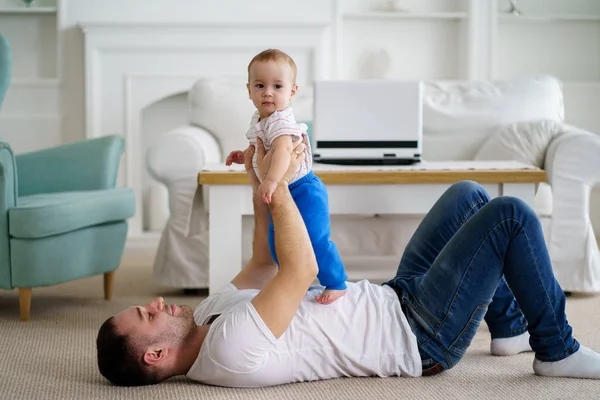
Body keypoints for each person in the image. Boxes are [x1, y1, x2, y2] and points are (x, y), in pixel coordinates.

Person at [96, 140, 600, 388]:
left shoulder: (207, 319)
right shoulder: (227, 352)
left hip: (394, 297)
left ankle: (509, 326)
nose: (156, 304)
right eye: (147, 315)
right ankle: (556, 349)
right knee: (508, 215)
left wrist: (259, 178)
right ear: (154, 356)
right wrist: (286, 177)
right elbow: (299, 269)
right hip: (421, 336)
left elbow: (261, 260)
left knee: (467, 195)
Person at [225, 48, 347, 304]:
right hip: (283, 190)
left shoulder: (280, 121)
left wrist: (271, 181)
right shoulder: (260, 119)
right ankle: (293, 280)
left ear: (292, 92)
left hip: (304, 190)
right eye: (260, 85)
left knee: (315, 238)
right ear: (249, 90)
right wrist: (243, 157)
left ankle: (337, 282)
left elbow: (282, 151)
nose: (268, 92)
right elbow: (261, 149)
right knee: (277, 242)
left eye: (277, 86)